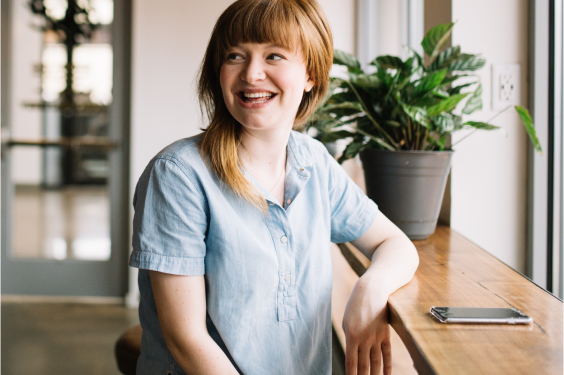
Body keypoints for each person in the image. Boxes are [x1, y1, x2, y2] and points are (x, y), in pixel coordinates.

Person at [129, 0, 419, 374]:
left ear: (311, 73)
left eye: (274, 56)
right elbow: (187, 340)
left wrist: (370, 289)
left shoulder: (313, 161)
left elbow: (395, 244)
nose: (251, 74)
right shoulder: (177, 175)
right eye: (235, 56)